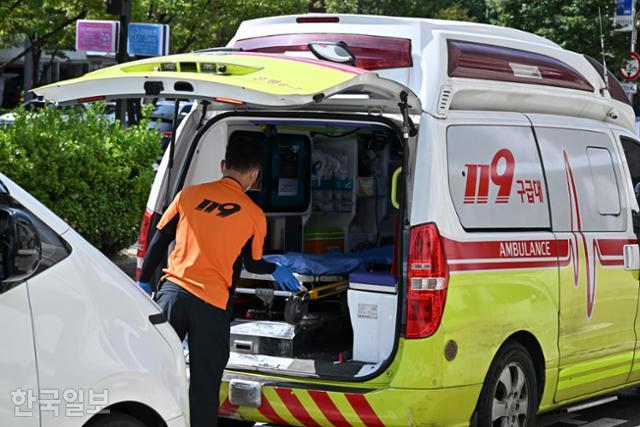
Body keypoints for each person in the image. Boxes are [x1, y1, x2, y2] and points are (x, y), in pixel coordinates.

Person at [137, 134, 300, 427]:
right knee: (204, 384)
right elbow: (252, 262)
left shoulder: (189, 195)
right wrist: (276, 270)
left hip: (172, 295)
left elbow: (159, 240)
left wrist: (143, 283)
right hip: (211, 307)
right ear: (255, 174)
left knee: (155, 373)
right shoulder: (254, 215)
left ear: (223, 164)